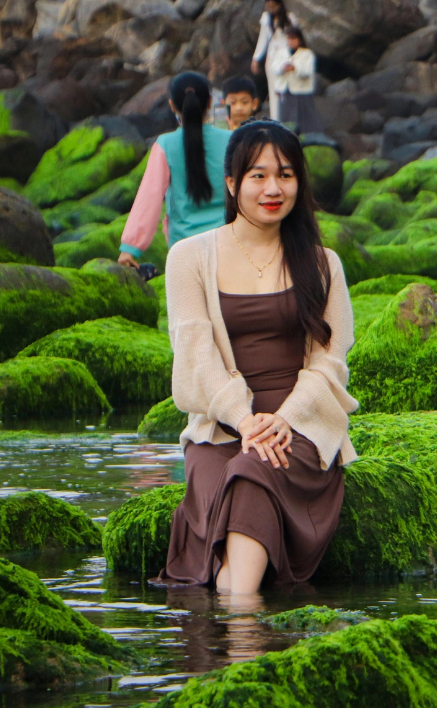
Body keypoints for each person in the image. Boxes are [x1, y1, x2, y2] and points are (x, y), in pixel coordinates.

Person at [158, 120, 358, 594]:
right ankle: (245, 630)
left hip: (301, 428)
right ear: (232, 183)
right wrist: (242, 420)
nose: (274, 188)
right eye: (258, 176)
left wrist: (284, 419)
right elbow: (194, 351)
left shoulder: (322, 263)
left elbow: (330, 361)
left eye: (286, 175)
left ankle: (237, 633)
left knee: (253, 469)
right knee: (241, 465)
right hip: (220, 431)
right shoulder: (189, 257)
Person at [118, 72, 232, 268]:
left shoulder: (165, 144)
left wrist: (130, 248)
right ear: (210, 102)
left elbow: (149, 197)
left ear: (172, 105)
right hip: (229, 245)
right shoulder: (232, 140)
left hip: (183, 250)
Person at [251, 0, 298, 121]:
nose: (271, 9)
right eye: (268, 6)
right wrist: (256, 58)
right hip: (272, 58)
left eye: (273, 6)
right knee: (274, 90)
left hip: (286, 57)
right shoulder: (266, 19)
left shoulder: (290, 19)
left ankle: (290, 120)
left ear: (279, 5)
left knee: (287, 89)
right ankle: (276, 119)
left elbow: (294, 40)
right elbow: (262, 40)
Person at [275, 26, 325, 135]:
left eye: (294, 38)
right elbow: (274, 68)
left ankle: (310, 136)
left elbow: (307, 71)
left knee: (306, 117)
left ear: (299, 39)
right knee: (286, 118)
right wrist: (283, 68)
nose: (291, 41)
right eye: (289, 38)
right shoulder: (281, 53)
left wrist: (295, 68)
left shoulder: (307, 54)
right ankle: (287, 137)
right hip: (286, 90)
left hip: (302, 92)